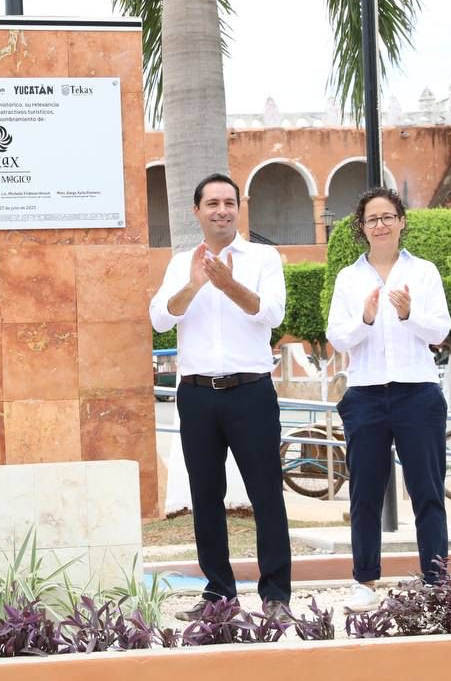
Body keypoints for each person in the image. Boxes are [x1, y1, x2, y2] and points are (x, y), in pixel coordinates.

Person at [149, 172, 292, 621]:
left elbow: (270, 313)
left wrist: (227, 283)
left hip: (250, 392)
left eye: (229, 202)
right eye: (212, 203)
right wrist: (195, 283)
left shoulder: (263, 257)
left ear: (238, 208)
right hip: (196, 396)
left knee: (266, 494)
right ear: (197, 211)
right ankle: (219, 597)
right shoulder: (180, 262)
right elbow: (158, 319)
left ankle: (276, 597)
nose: (222, 210)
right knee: (205, 496)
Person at [326, 186, 451, 613]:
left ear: (401, 221)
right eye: (371, 219)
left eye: (387, 217)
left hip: (418, 392)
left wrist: (407, 313)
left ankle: (436, 580)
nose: (379, 225)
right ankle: (364, 580)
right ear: (361, 229)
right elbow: (337, 336)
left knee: (427, 491)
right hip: (365, 394)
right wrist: (365, 317)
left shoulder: (425, 273)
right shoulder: (348, 278)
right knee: (364, 493)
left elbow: (439, 331)